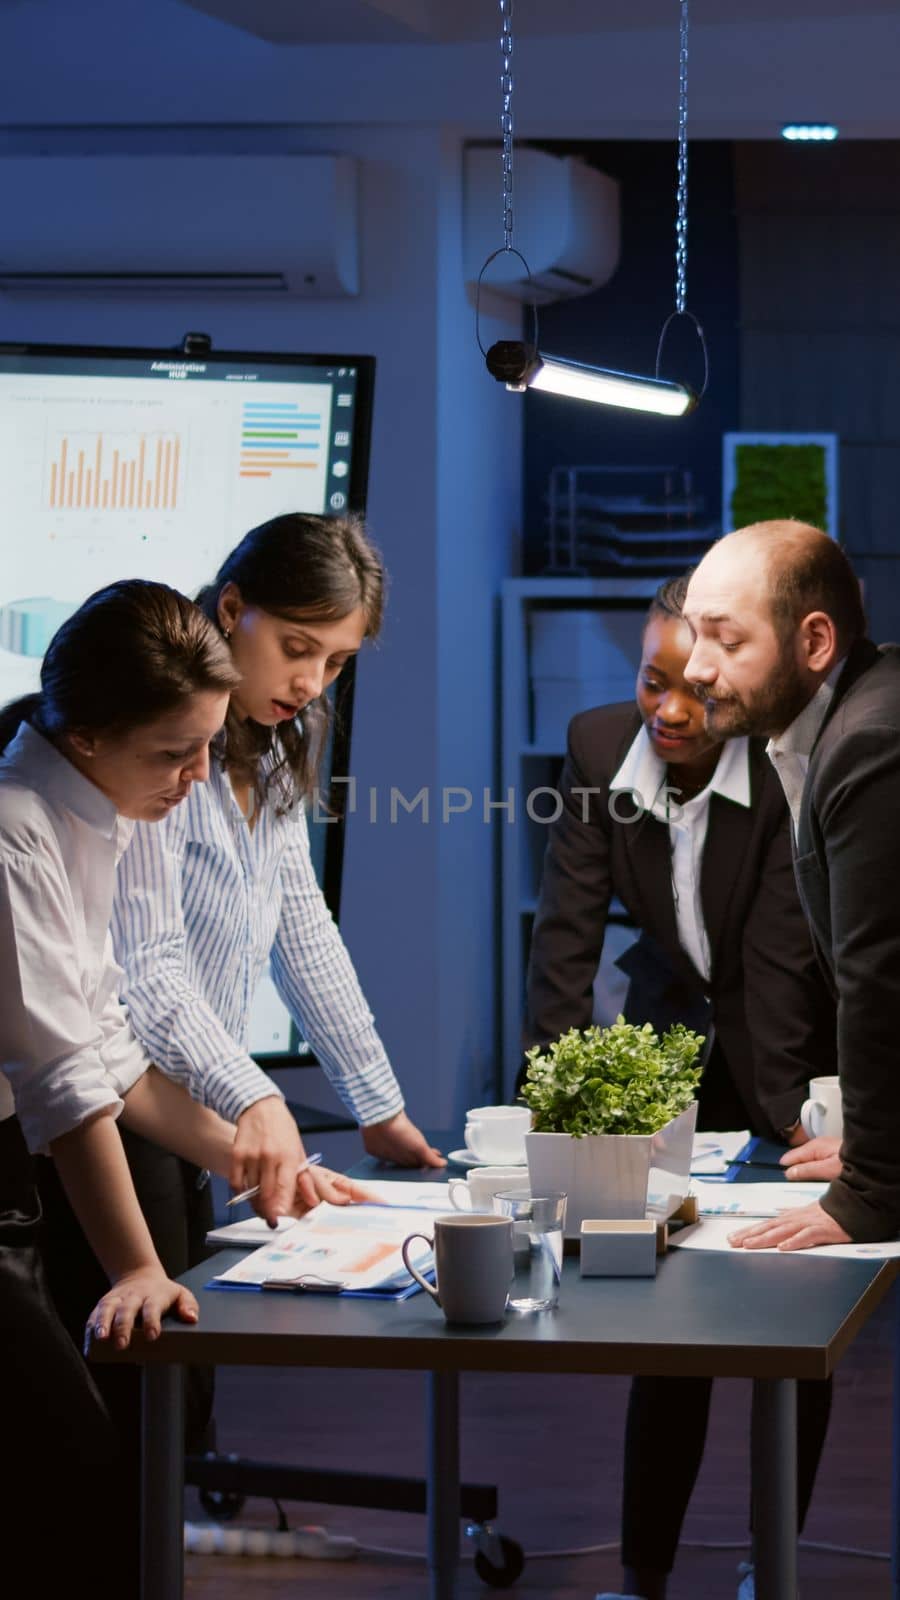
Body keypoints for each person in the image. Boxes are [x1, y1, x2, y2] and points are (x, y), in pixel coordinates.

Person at [0, 578, 368, 1595]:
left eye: (206, 747)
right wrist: (136, 1265)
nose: (197, 777)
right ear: (86, 735)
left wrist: (259, 1158)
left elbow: (115, 1052)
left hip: (21, 1165)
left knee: (92, 1466)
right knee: (71, 1467)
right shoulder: (15, 829)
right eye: (174, 753)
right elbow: (67, 1084)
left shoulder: (100, 806)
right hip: (12, 1165)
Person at [523, 575, 837, 1600]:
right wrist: (558, 1120)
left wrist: (815, 1130)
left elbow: (784, 961)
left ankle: (766, 1569)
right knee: (668, 1329)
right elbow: (562, 943)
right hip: (669, 1053)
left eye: (696, 689)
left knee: (786, 1332)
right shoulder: (596, 745)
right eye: (653, 680)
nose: (669, 710)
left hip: (797, 1062)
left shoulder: (793, 758)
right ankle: (644, 1577)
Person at [112, 512, 442, 1195]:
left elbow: (301, 928)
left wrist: (376, 1104)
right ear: (232, 609)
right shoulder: (158, 747)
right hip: (121, 1108)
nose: (313, 683)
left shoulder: (277, 739)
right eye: (298, 649)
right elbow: (147, 972)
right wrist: (251, 1097)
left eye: (337, 662)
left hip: (198, 1103)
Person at [682, 517, 899, 1251]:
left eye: (727, 639)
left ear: (814, 642)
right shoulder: (852, 715)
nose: (696, 669)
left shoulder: (872, 741)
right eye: (694, 634)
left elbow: (881, 978)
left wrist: (872, 1188)